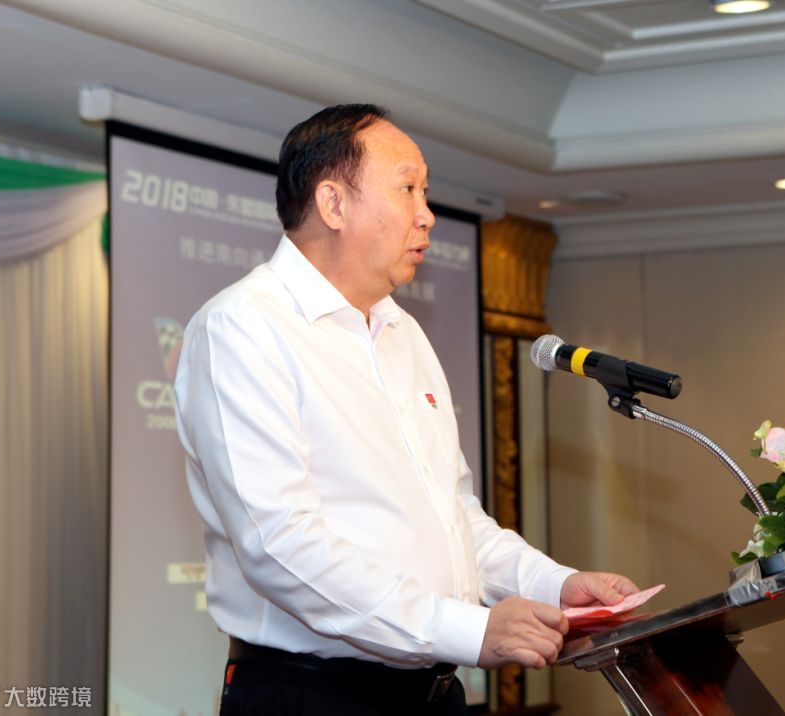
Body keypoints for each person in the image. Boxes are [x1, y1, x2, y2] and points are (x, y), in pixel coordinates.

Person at [174, 104, 638, 715]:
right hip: (315, 695)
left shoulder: (403, 333)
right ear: (333, 204)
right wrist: (468, 630)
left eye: (426, 191)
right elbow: (278, 544)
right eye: (408, 188)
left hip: (434, 692)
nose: (427, 214)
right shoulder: (242, 327)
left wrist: (556, 584)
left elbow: (455, 519)